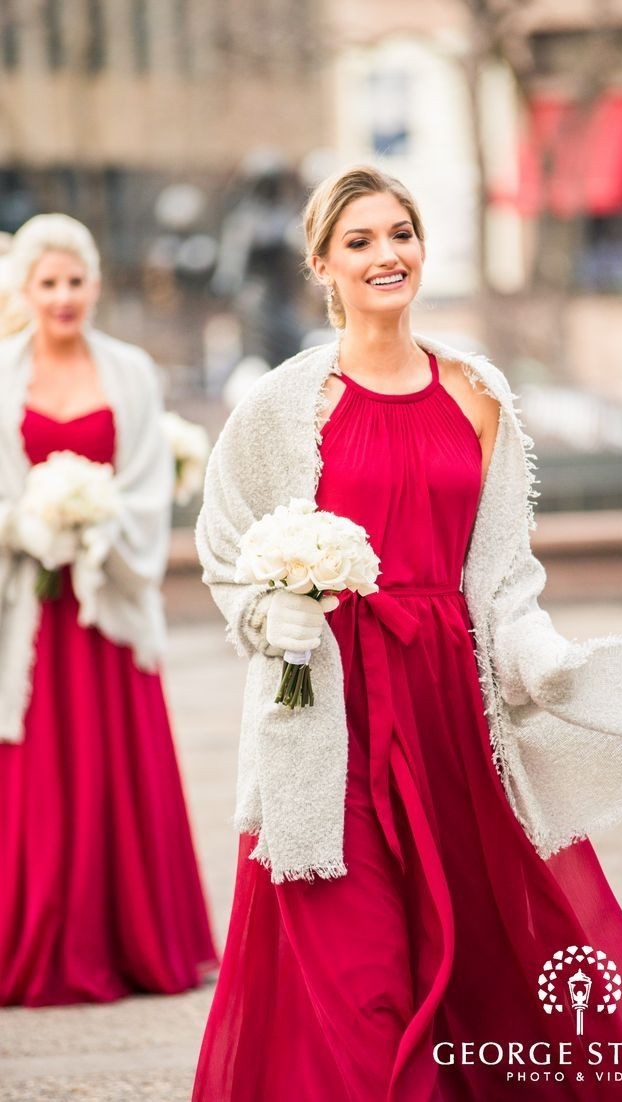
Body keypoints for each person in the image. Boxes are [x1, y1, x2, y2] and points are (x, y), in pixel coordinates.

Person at [192, 166, 622, 1100]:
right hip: (326, 713)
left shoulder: (480, 397)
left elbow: (505, 577)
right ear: (322, 264)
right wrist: (267, 613)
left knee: (477, 945)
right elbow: (228, 541)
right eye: (359, 241)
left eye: (400, 233)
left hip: (448, 715)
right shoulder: (282, 405)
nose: (385, 255)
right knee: (358, 975)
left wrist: (540, 659)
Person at [0, 213, 217, 1005]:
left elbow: (149, 485)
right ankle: (36, 941)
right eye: (47, 283)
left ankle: (133, 940)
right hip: (30, 612)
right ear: (24, 290)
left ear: (95, 283)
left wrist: (95, 524)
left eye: (75, 281)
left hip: (108, 608)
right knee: (36, 777)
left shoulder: (131, 372)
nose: (63, 297)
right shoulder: (1, 373)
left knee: (114, 767)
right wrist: (31, 522)